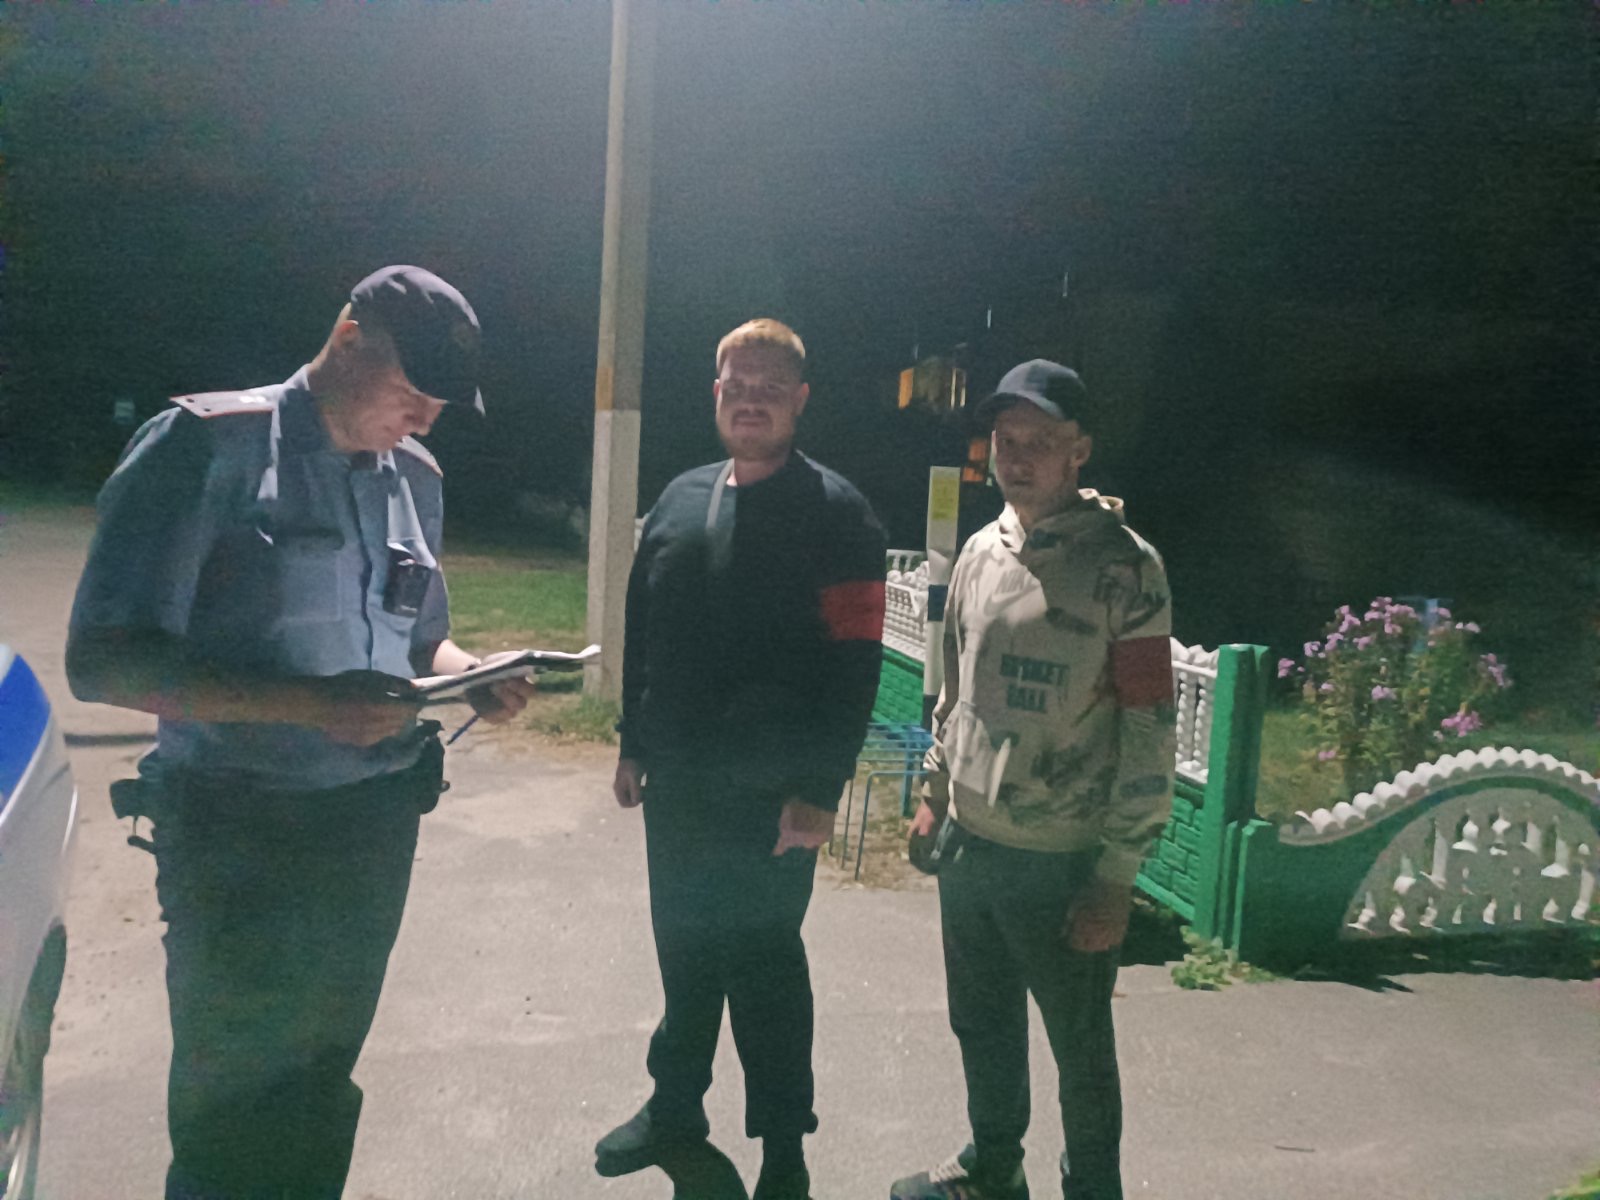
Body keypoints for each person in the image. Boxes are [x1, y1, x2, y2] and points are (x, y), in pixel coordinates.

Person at [66, 265, 535, 1200]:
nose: (426, 418)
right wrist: (311, 706)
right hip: (239, 829)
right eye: (413, 390)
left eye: (442, 404)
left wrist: (473, 674)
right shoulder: (208, 447)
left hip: (371, 824)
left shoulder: (416, 479)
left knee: (322, 1075)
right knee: (233, 1092)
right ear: (348, 340)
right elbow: (103, 661)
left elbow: (422, 637)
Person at [596, 318, 887, 1200]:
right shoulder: (680, 499)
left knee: (764, 966)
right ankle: (675, 1108)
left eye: (769, 387)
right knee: (684, 954)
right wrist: (633, 743)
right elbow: (643, 629)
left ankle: (784, 1149)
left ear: (799, 401)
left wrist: (820, 787)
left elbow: (856, 664)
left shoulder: (840, 516)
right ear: (716, 394)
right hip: (680, 782)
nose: (750, 399)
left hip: (773, 795)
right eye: (737, 385)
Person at [891, 360, 1175, 1200]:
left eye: (1039, 442)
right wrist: (935, 791)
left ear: (1078, 450)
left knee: (1079, 1049)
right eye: (1005, 440)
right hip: (971, 842)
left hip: (1062, 859)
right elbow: (955, 691)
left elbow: (1149, 726)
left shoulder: (1127, 569)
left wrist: (1116, 876)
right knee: (980, 1020)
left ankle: (1093, 1187)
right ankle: (993, 1166)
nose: (1016, 457)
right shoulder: (982, 551)